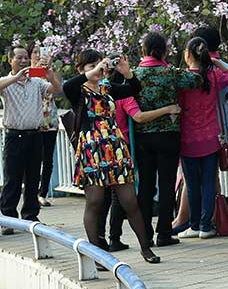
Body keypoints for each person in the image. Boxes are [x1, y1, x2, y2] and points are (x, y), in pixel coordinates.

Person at [62, 51, 160, 264]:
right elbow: (66, 87)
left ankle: (145, 248)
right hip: (92, 152)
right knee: (95, 202)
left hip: (115, 149)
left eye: (99, 64)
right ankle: (98, 256)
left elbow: (134, 89)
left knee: (129, 201)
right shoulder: (78, 91)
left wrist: (127, 73)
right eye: (91, 66)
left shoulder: (108, 88)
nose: (98, 69)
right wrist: (92, 73)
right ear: (80, 69)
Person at [132, 32, 200, 247]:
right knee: (167, 183)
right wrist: (195, 60)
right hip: (168, 135)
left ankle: (145, 234)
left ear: (143, 50)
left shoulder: (134, 75)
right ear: (164, 51)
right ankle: (164, 233)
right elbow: (196, 80)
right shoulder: (170, 73)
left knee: (146, 186)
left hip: (143, 136)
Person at [99, 93, 181, 252]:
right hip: (121, 147)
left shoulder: (95, 94)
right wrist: (167, 109)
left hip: (99, 147)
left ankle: (104, 239)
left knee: (104, 196)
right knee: (119, 194)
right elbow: (139, 117)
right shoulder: (124, 95)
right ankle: (115, 238)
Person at [172, 24, 228, 234]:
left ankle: (194, 225)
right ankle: (207, 226)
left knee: (192, 183)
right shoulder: (212, 77)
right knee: (208, 182)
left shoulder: (182, 78)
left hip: (188, 139)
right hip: (211, 137)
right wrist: (214, 62)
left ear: (188, 55)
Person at [0, 45, 62, 232]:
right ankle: (8, 219)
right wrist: (14, 78)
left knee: (33, 177)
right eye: (19, 58)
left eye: (26, 58)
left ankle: (30, 216)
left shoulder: (36, 82)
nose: (24, 61)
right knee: (13, 179)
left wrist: (50, 75)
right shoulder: (6, 82)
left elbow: (56, 90)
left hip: (35, 135)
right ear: (10, 60)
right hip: (14, 136)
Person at [32, 44, 60, 208]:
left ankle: (42, 193)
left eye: (40, 52)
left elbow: (58, 89)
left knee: (48, 159)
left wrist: (50, 69)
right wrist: (37, 68)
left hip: (50, 119)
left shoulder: (49, 71)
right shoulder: (27, 71)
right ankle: (32, 192)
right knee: (34, 159)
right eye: (35, 52)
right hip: (34, 120)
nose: (38, 55)